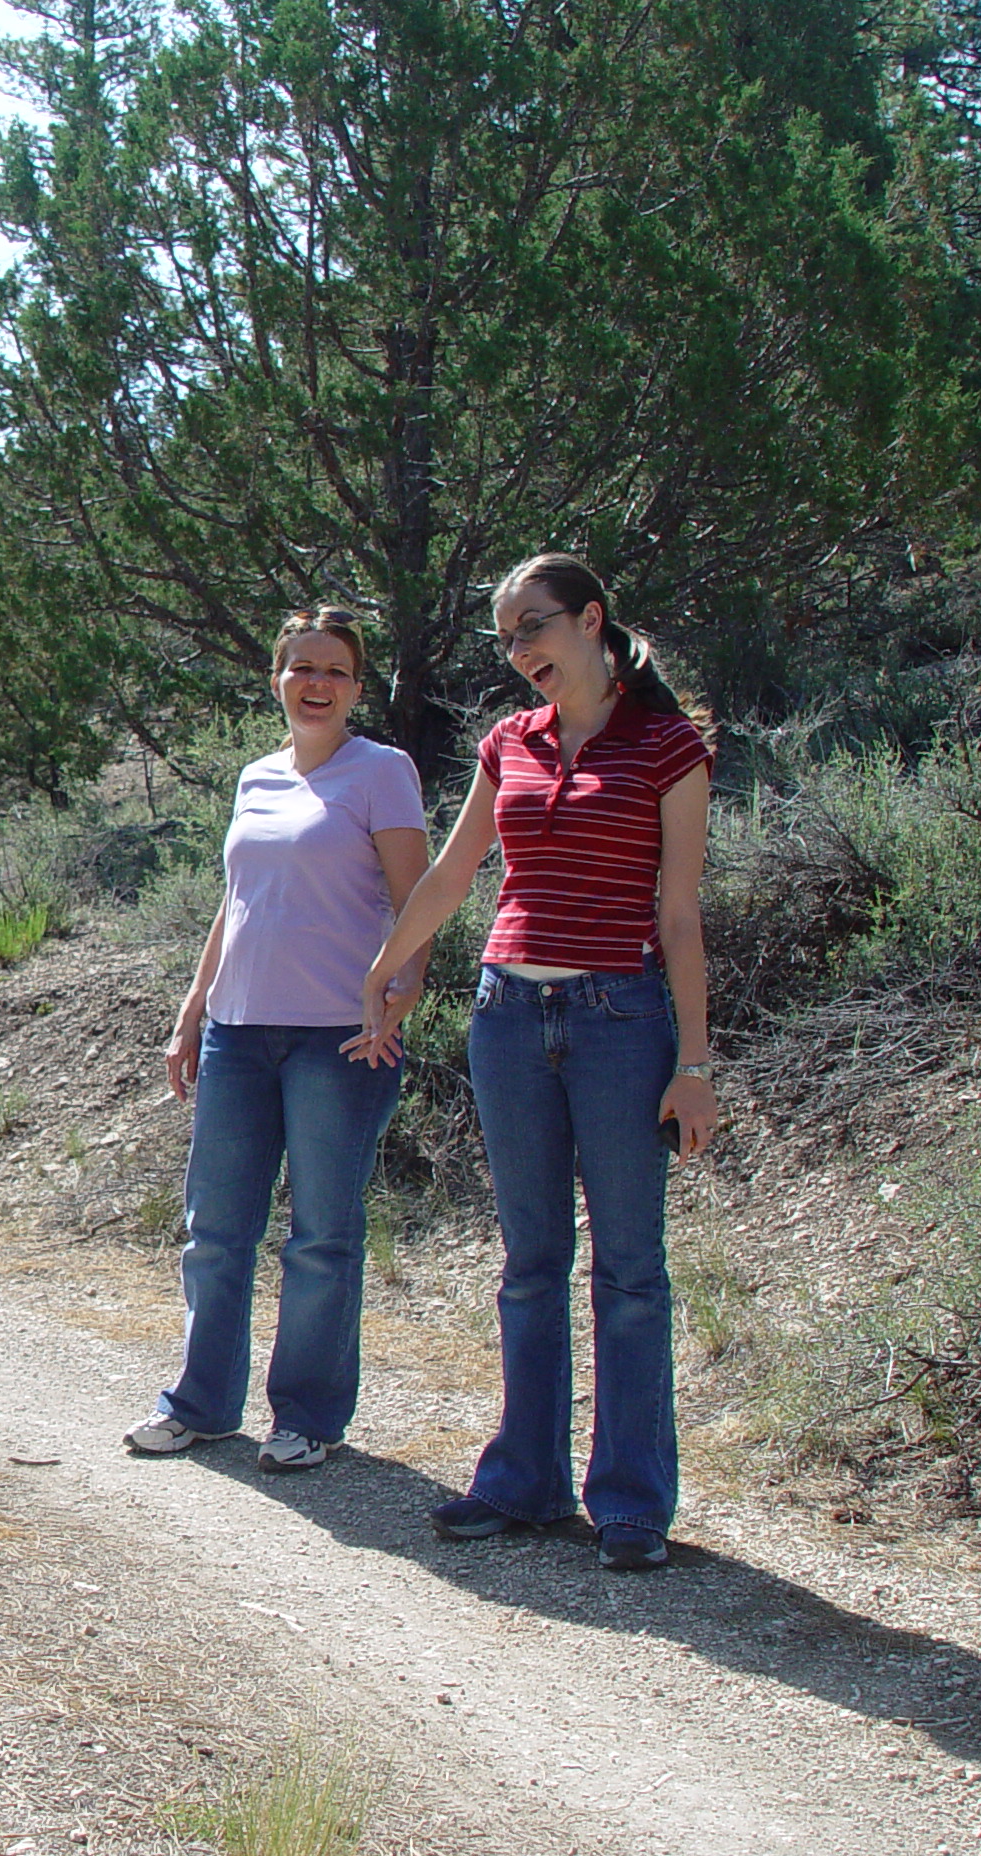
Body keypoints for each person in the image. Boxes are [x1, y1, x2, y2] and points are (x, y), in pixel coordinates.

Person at [355, 552, 713, 1572]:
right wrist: (388, 966)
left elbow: (679, 915)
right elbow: (455, 871)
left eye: (534, 629)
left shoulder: (666, 746)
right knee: (528, 1265)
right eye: (505, 638)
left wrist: (693, 1060)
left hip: (619, 1018)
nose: (519, 655)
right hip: (506, 1016)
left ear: (591, 620)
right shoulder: (508, 741)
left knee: (631, 1272)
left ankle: (632, 1504)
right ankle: (523, 1482)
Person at [125, 608, 430, 1472]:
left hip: (340, 1036)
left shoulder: (383, 771)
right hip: (238, 1032)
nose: (317, 683)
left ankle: (307, 1418)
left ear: (357, 687)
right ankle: (202, 1407)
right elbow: (237, 903)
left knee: (322, 1235)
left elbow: (417, 901)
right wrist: (193, 1011)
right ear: (276, 678)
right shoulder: (255, 776)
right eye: (301, 667)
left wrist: (399, 996)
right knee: (216, 1228)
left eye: (334, 670)